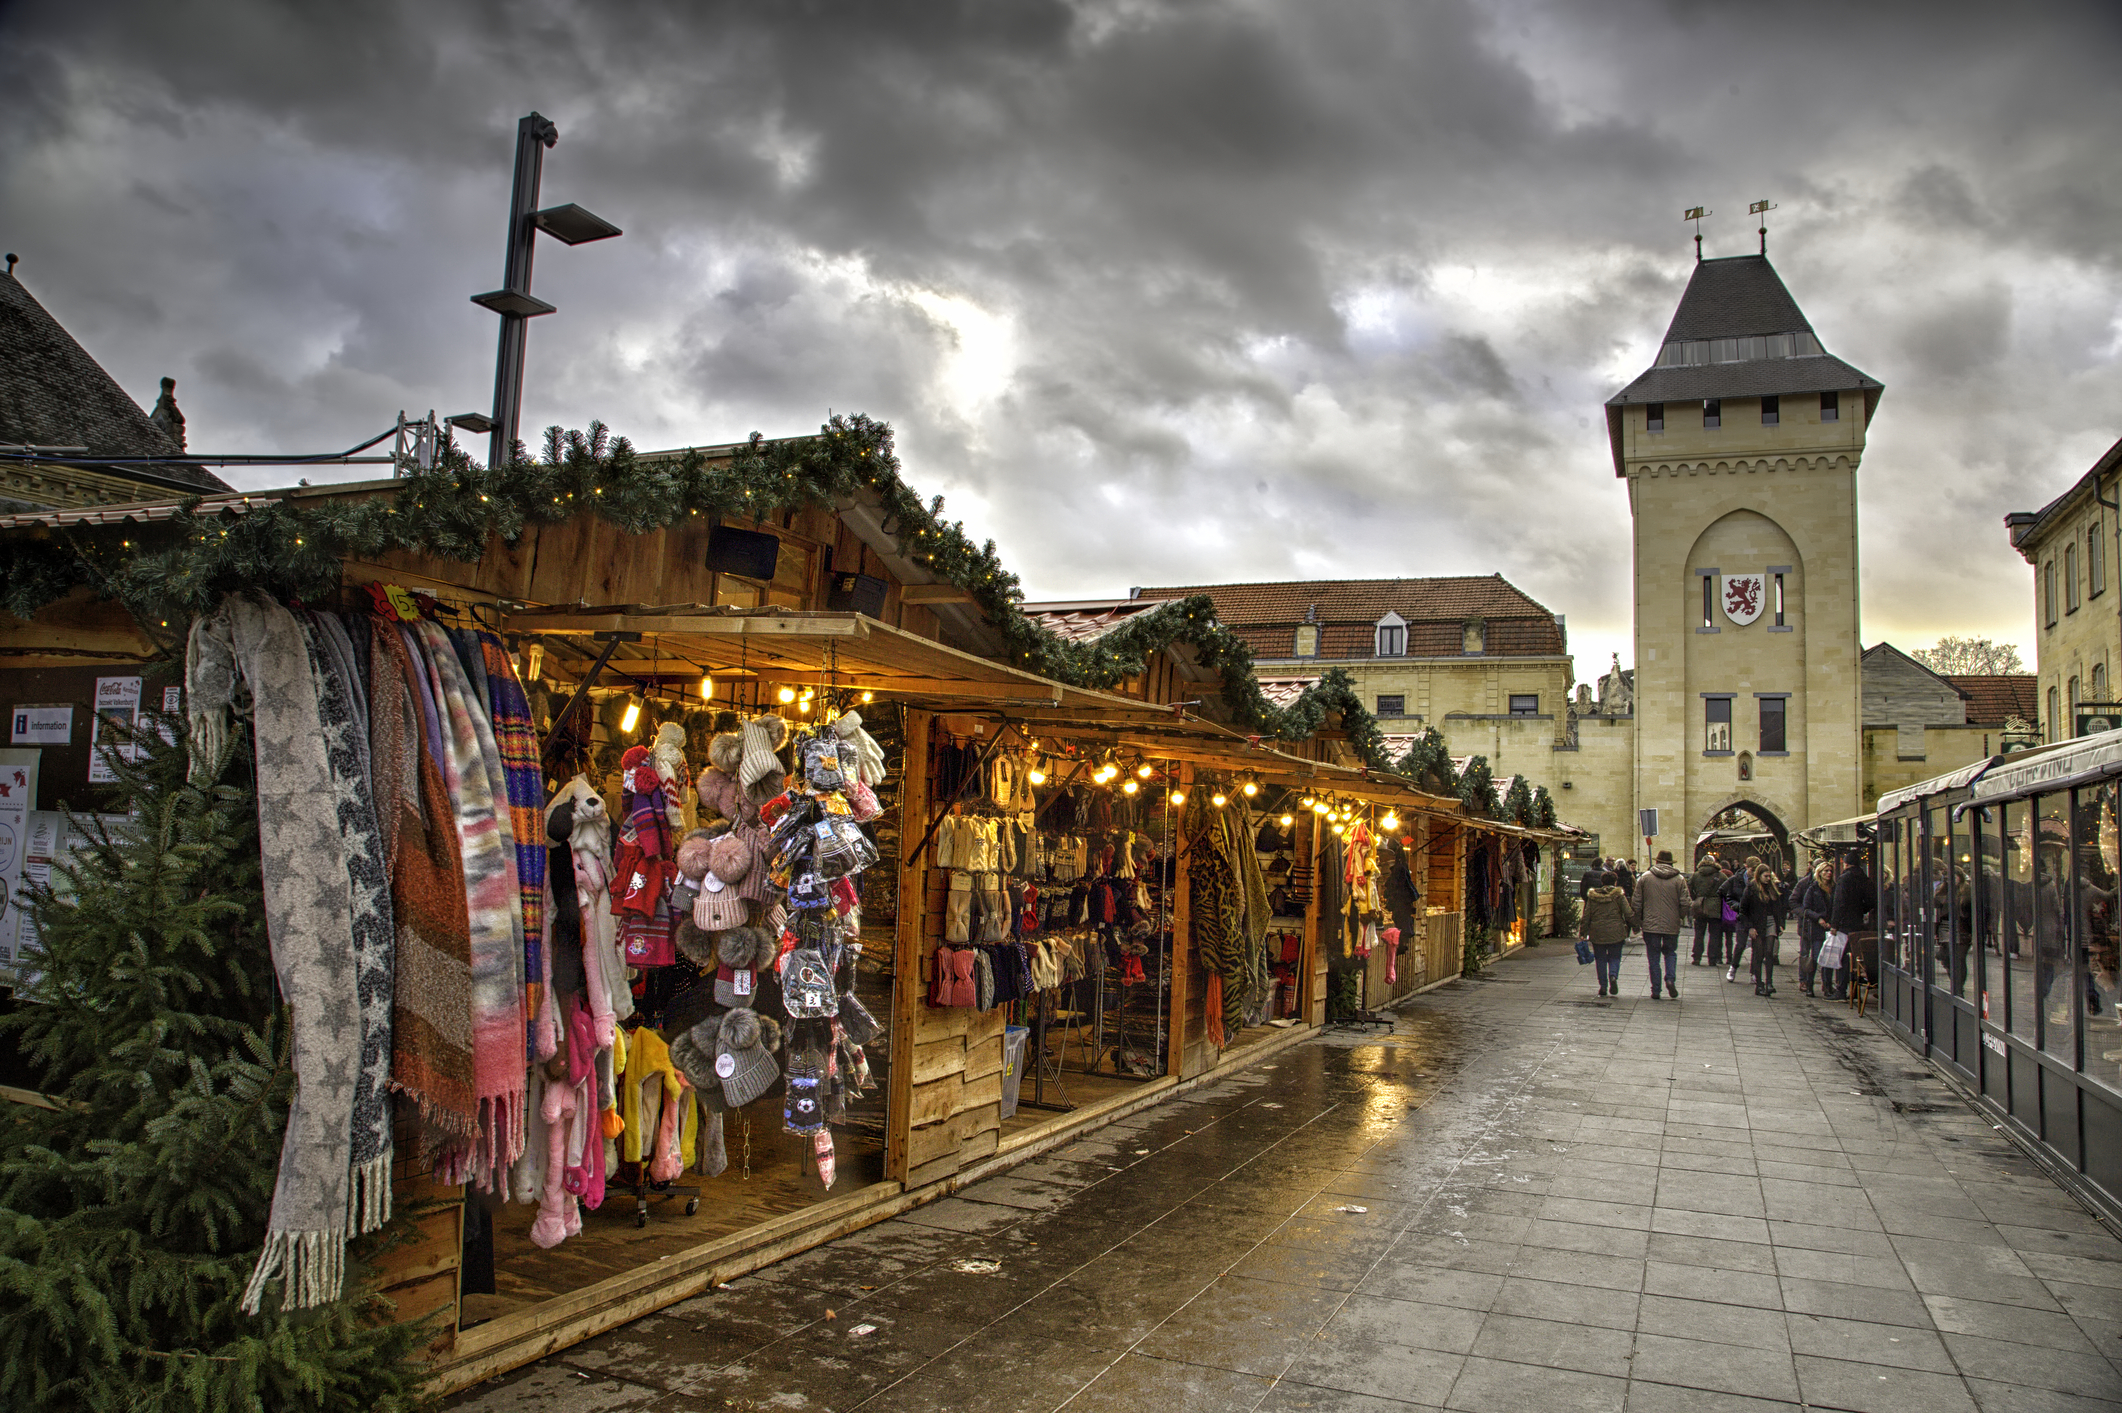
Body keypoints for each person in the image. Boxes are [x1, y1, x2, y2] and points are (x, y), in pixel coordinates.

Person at [1633, 850, 1691, 1000]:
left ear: (1657, 862)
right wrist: (1680, 916)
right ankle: (1670, 979)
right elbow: (1686, 902)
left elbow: (1636, 902)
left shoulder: (1645, 878)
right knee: (1670, 953)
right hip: (1671, 924)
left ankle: (1656, 990)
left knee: (1653, 956)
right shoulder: (1679, 879)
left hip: (1650, 924)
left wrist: (1639, 920)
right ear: (1671, 863)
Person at [1824, 850, 1875, 1000]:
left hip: (1844, 924)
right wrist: (1861, 910)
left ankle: (1841, 990)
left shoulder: (1844, 879)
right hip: (1858, 923)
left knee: (1843, 958)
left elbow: (1839, 902)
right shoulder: (1865, 879)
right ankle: (1854, 990)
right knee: (1855, 957)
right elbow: (1872, 901)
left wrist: (1834, 923)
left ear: (1845, 864)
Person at [1581, 869, 1635, 999]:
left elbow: (1586, 916)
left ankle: (1603, 986)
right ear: (1615, 882)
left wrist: (1583, 932)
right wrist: (1636, 925)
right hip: (1616, 931)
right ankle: (1613, 975)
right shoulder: (1619, 896)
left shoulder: (1593, 897)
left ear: (1602, 882)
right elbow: (1628, 913)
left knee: (1600, 959)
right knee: (1615, 957)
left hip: (1597, 931)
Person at [1792, 860, 1833, 996]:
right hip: (1813, 928)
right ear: (1818, 872)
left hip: (1829, 928)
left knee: (1828, 959)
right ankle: (1808, 984)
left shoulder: (1834, 887)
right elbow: (1805, 907)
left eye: (1830, 871)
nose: (1829, 873)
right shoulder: (1811, 887)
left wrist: (1832, 922)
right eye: (1825, 871)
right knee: (1813, 957)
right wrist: (1818, 918)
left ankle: (1827, 986)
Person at [1743, 863, 1784, 996]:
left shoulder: (1772, 888)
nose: (1768, 879)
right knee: (1758, 953)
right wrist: (1750, 927)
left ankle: (1769, 982)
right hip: (1757, 923)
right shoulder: (1751, 889)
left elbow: (1779, 908)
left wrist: (1780, 924)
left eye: (1769, 876)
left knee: (1769, 952)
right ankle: (1759, 983)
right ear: (1759, 876)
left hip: (1771, 921)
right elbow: (1743, 910)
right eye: (1765, 876)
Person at [1720, 862, 1751, 982]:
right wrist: (1732, 905)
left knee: (1759, 948)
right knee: (1740, 944)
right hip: (1741, 916)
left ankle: (1755, 974)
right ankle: (1733, 966)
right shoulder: (1735, 879)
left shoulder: (1760, 882)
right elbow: (1722, 890)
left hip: (1757, 917)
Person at [1690, 854, 1724, 965]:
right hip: (1715, 907)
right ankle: (1712, 958)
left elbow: (1689, 888)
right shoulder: (1721, 876)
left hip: (1699, 906)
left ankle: (1697, 957)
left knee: (1699, 933)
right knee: (1714, 934)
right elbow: (1727, 891)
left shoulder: (1696, 875)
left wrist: (1696, 899)